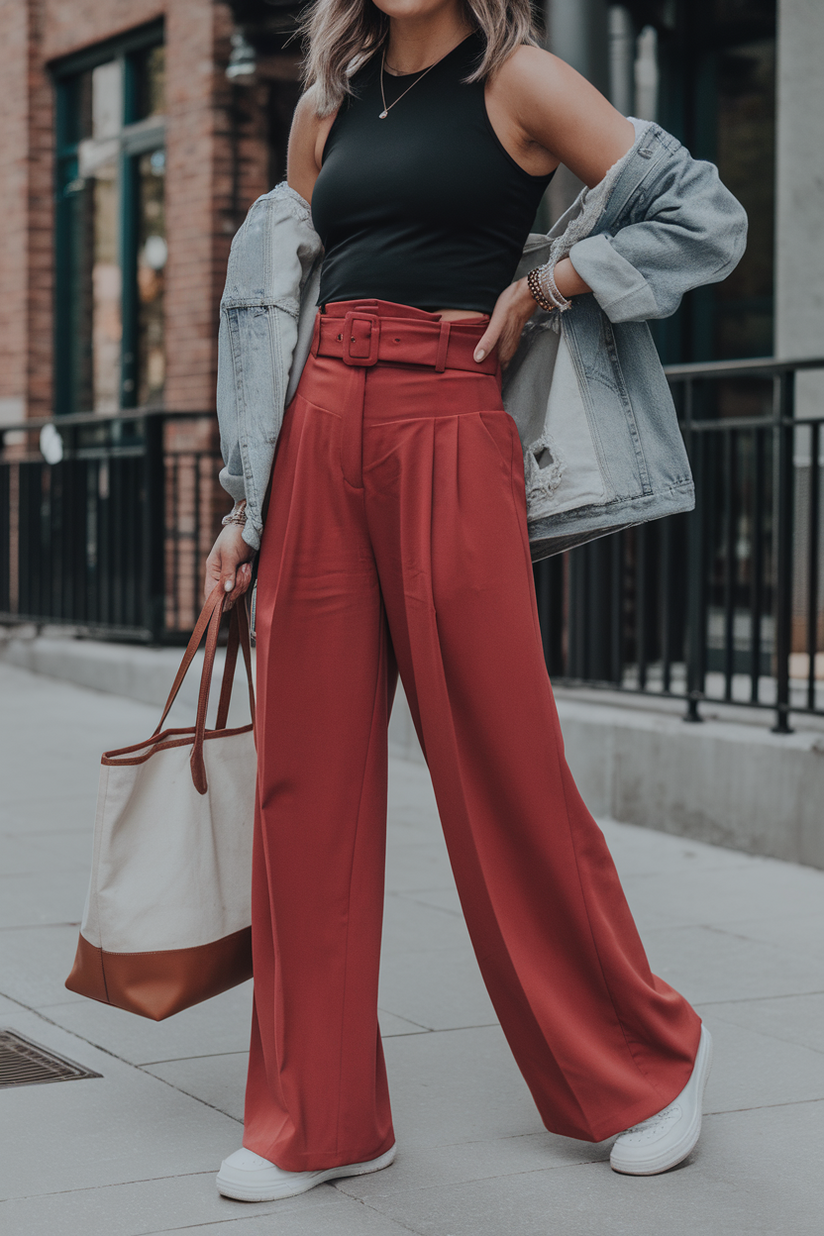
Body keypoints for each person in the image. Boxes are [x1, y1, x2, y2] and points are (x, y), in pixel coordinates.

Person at [204, 0, 746, 1202]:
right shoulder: (323, 107)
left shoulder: (524, 83)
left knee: (499, 766)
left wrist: (554, 279)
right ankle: (318, 1118)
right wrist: (248, 505)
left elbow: (703, 214)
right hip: (321, 427)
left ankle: (646, 1066)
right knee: (305, 783)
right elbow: (278, 312)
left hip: (448, 419)